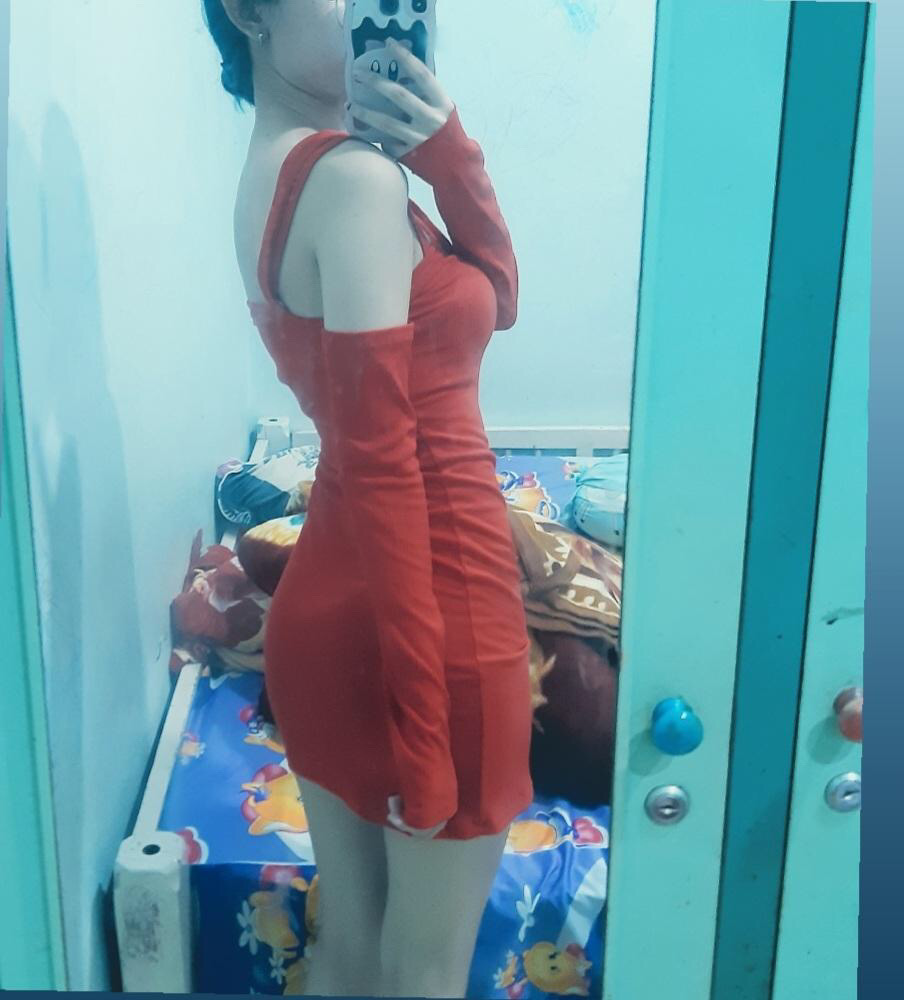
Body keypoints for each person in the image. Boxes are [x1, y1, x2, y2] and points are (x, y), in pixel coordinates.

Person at [203, 1, 535, 995]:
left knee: (349, 948)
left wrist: (444, 149)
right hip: (437, 611)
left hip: (333, 613)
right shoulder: (352, 180)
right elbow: (389, 466)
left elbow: (499, 298)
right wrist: (425, 736)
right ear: (248, 12)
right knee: (423, 972)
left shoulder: (274, 173)